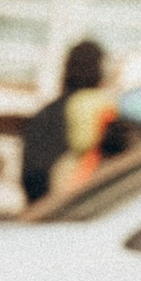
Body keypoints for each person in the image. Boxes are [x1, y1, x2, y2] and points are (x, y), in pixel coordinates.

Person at [21, 38, 106, 207]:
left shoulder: (43, 115)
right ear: (100, 73)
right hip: (85, 208)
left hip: (42, 210)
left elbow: (29, 177)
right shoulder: (105, 114)